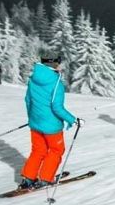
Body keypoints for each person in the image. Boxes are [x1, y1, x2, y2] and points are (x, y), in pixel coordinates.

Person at [19, 56, 81, 189]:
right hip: (51, 126)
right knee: (56, 150)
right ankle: (46, 178)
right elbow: (56, 107)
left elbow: (28, 100)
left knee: (38, 151)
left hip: (35, 123)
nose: (60, 67)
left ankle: (28, 178)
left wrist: (33, 118)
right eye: (58, 64)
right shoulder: (56, 82)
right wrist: (73, 120)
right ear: (53, 65)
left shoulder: (33, 78)